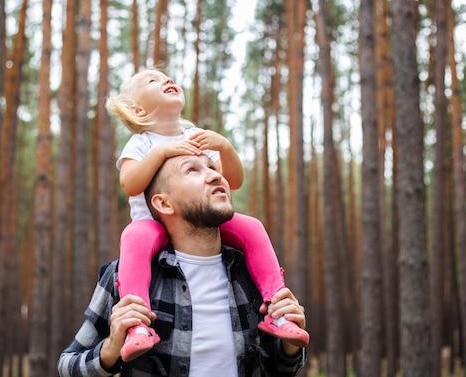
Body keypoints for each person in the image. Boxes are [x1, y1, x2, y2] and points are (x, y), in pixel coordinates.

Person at [105, 69, 309, 361]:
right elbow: (130, 183)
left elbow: (233, 181)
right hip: (153, 225)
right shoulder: (141, 142)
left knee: (251, 226)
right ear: (138, 109)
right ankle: (137, 325)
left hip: (203, 218)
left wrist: (224, 147)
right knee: (133, 236)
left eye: (167, 77)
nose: (166, 80)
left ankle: (277, 310)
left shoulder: (196, 138)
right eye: (153, 80)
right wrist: (162, 154)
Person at [58, 154, 307, 377]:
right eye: (192, 170)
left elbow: (280, 370)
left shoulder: (250, 272)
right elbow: (67, 366)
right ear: (164, 203)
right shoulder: (123, 276)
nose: (214, 175)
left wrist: (290, 348)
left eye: (212, 167)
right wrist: (111, 348)